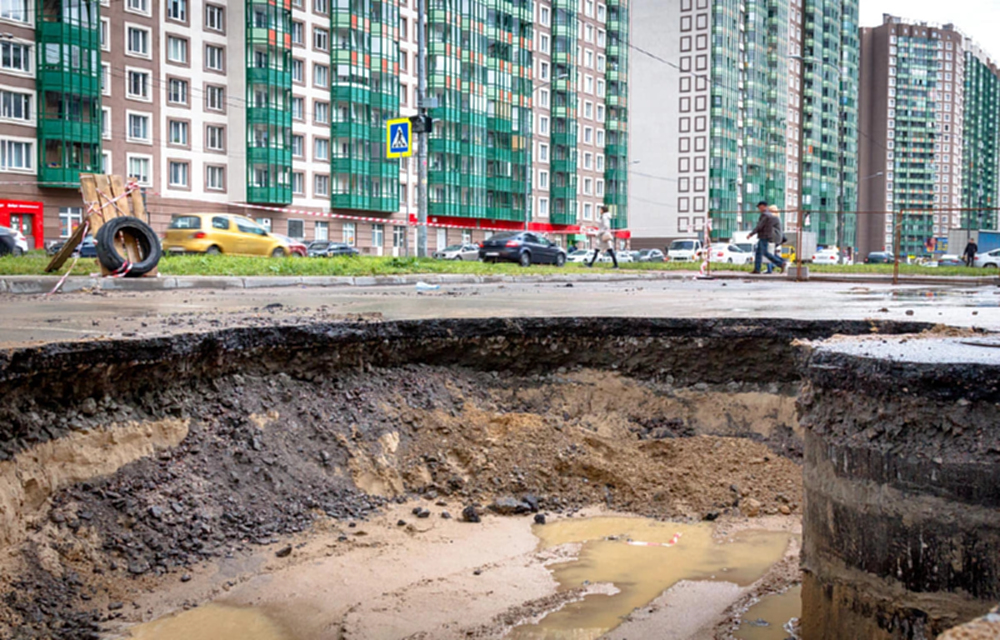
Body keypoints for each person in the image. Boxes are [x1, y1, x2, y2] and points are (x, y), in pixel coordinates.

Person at [748, 201, 785, 274]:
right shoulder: (769, 214)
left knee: (764, 252)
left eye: (759, 207)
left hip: (764, 236)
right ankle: (757, 269)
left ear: (763, 206)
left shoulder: (765, 215)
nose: (759, 209)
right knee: (758, 253)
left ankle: (780, 263)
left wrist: (751, 234)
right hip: (766, 235)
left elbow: (760, 226)